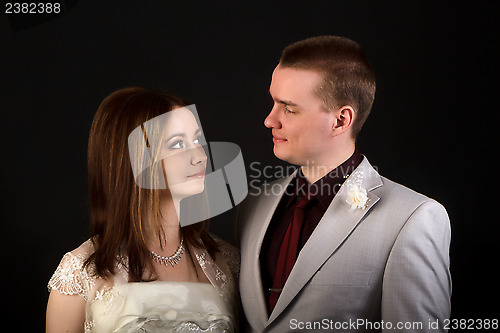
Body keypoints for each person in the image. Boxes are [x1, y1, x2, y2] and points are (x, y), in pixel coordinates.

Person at [237, 36, 451, 332]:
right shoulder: (253, 205)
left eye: (288, 108)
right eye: (273, 101)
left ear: (340, 120)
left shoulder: (413, 218)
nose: (269, 120)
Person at [46, 87, 240, 332]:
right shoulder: (80, 273)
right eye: (178, 143)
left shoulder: (226, 262)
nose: (200, 156)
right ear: (134, 159)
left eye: (198, 140)